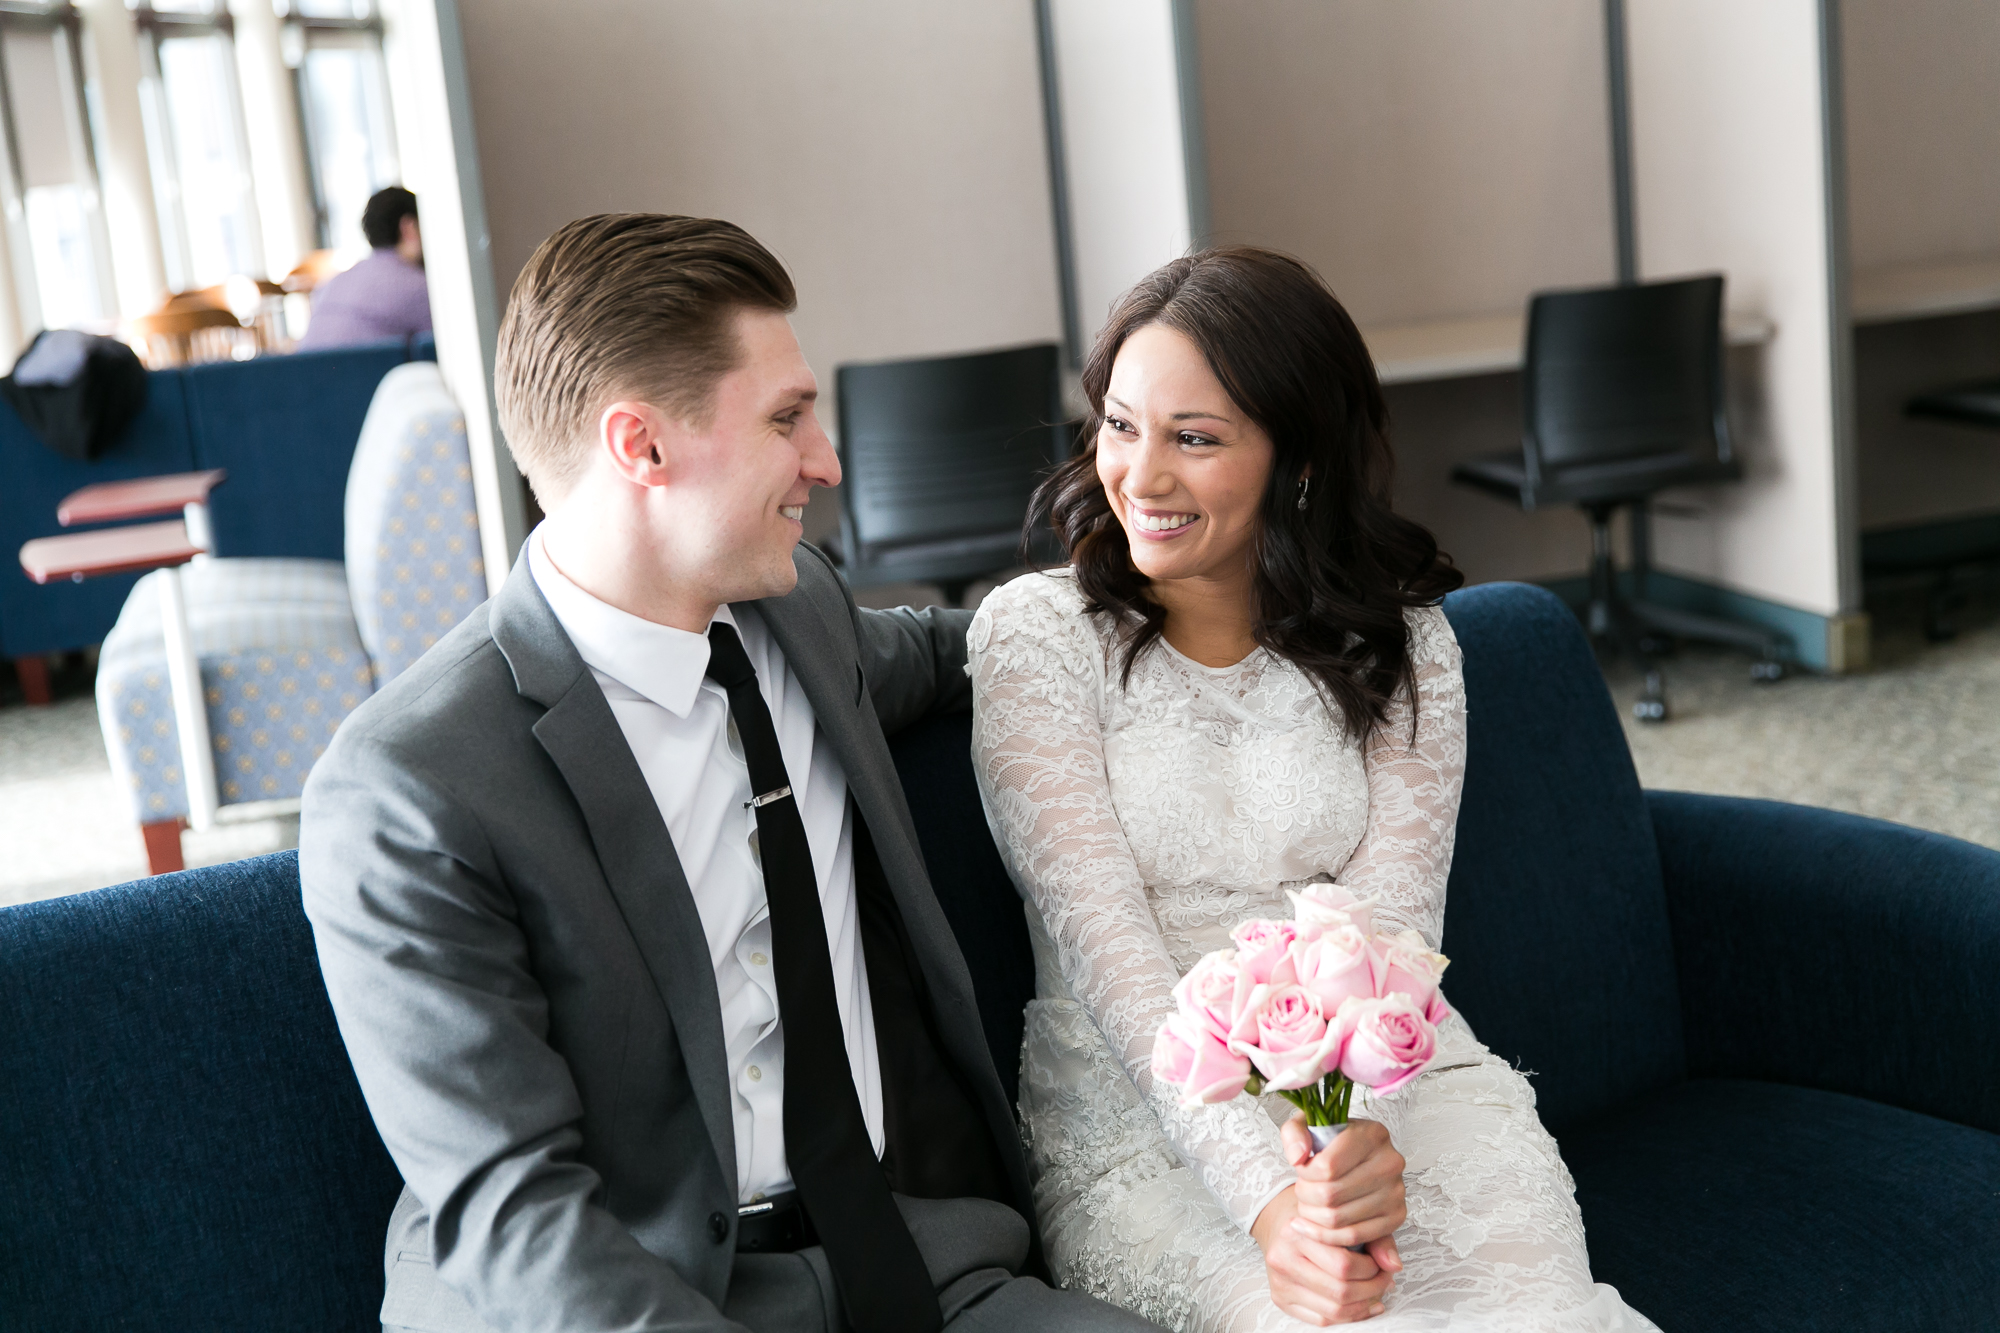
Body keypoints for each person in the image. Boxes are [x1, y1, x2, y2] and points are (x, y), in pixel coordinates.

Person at [299, 214, 1158, 1333]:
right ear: (641, 446)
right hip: (640, 1292)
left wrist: (1226, 601)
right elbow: (518, 1220)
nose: (829, 461)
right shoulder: (409, 789)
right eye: (787, 418)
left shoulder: (800, 610)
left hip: (918, 1259)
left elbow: (982, 647)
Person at [969, 248, 1659, 1332]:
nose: (1139, 476)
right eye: (1117, 424)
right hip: (1145, 1130)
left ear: (1298, 460)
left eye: (1193, 439)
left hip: (1392, 1099)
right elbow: (1112, 961)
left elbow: (1391, 934)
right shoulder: (1034, 637)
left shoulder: (1407, 641)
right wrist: (1273, 1203)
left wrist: (1347, 1149)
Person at [295, 186, 433, 350]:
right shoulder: (417, 286)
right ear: (409, 227)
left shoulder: (332, 284)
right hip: (365, 374)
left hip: (308, 372)